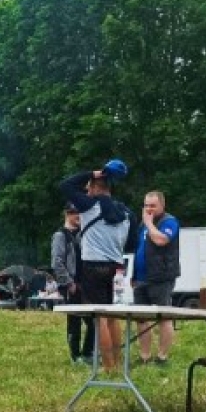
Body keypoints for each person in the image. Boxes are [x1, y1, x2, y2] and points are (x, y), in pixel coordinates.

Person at [59, 160, 136, 374]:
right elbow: (132, 244)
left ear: (94, 187)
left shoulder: (90, 205)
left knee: (100, 317)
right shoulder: (128, 213)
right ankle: (119, 362)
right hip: (116, 267)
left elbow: (65, 185)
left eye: (88, 186)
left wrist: (90, 172)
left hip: (93, 267)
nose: (85, 190)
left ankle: (109, 367)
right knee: (113, 316)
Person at [132, 190, 180, 365]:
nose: (149, 209)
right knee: (141, 318)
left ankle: (162, 356)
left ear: (162, 205)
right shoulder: (142, 225)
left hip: (161, 277)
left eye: (153, 205)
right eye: (146, 205)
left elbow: (161, 240)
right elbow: (139, 249)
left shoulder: (169, 221)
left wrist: (149, 224)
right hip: (141, 278)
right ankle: (145, 356)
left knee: (164, 316)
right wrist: (134, 275)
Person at [51, 204, 93, 365]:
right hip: (72, 284)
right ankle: (75, 356)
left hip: (86, 284)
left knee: (92, 321)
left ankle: (87, 352)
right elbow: (57, 262)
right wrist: (69, 283)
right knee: (74, 322)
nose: (80, 217)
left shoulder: (84, 234)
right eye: (77, 214)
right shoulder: (60, 236)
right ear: (68, 214)